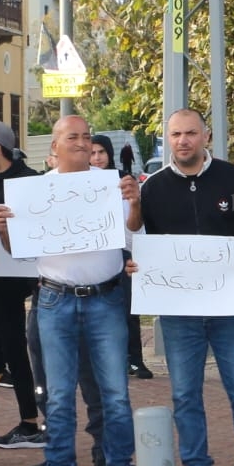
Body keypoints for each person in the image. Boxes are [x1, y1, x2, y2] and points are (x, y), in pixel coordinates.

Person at [130, 108, 234, 466]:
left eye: (191, 133)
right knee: (185, 394)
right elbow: (142, 239)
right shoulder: (153, 187)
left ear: (205, 136)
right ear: (167, 138)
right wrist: (138, 265)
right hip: (178, 312)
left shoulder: (232, 178)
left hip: (229, 305)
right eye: (175, 134)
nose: (183, 141)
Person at [0, 115, 142, 466]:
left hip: (106, 298)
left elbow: (133, 234)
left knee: (115, 392)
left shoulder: (111, 184)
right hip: (55, 299)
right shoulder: (33, 192)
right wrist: (3, 228)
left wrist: (134, 203)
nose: (81, 142)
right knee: (59, 394)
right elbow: (18, 252)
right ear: (54, 149)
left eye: (85, 136)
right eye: (71, 137)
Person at [0, 123, 45, 448]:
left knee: (30, 347)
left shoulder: (30, 180)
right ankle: (29, 420)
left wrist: (3, 240)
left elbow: (38, 226)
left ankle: (34, 421)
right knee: (10, 345)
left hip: (26, 276)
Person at [93, 134, 155, 381]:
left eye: (101, 152)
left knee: (129, 308)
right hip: (95, 254)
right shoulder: (79, 182)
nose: (97, 158)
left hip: (123, 250)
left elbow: (134, 223)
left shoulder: (122, 181)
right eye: (92, 152)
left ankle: (135, 359)